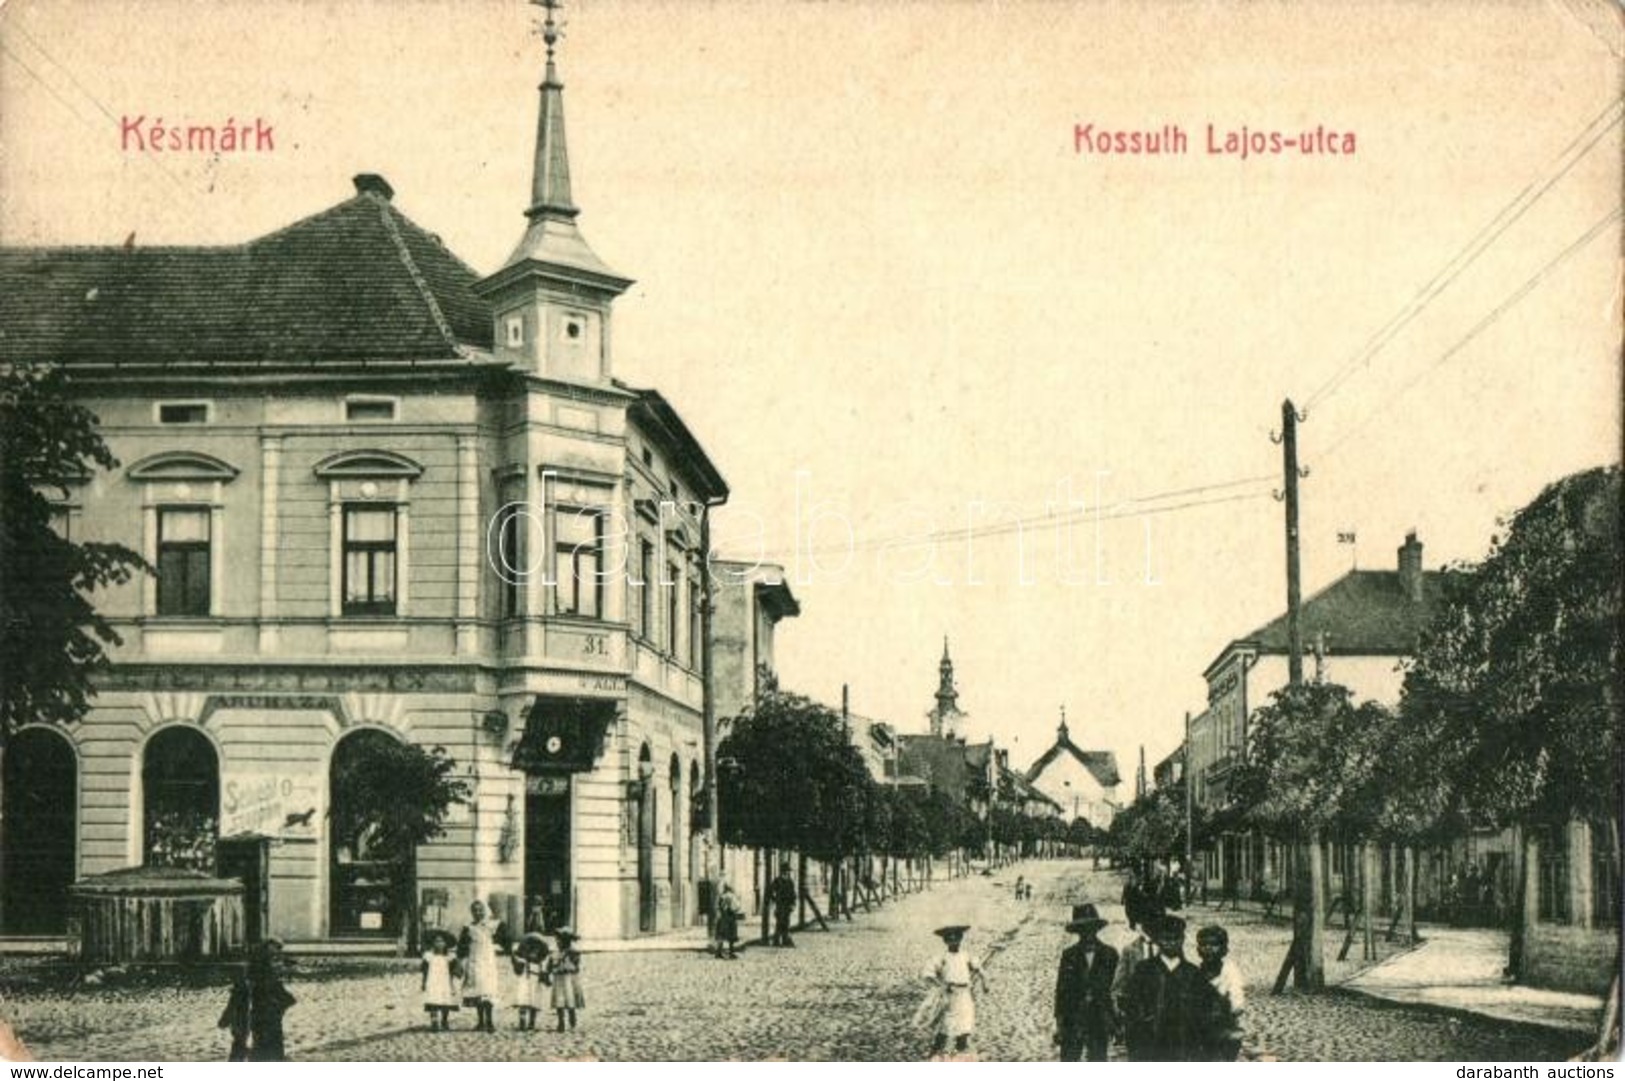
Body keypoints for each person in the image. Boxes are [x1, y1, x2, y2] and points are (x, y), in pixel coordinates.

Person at [1121, 914, 1223, 1061]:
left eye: (1175, 939)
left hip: (1184, 1045)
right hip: (1151, 1043)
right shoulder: (1144, 970)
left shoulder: (1192, 973)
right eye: (1165, 939)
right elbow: (1131, 1003)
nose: (1170, 943)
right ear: (1157, 941)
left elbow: (1206, 1008)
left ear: (1182, 940)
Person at [1053, 903, 1119, 1062]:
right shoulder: (1069, 955)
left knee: (1098, 1059)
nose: (1087, 933)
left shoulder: (1109, 954)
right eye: (1083, 928)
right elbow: (1061, 990)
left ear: (1096, 928)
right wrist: (1059, 1023)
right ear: (1078, 931)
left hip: (1099, 1018)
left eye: (1091, 927)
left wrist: (1116, 1022)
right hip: (1073, 1017)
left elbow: (1115, 989)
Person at [219, 938, 296, 1061]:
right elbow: (287, 1000)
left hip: (259, 1024)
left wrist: (226, 1018)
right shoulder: (265, 978)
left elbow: (287, 1000)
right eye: (274, 957)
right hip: (260, 1024)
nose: (277, 963)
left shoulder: (256, 978)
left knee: (248, 1051)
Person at [918, 924, 987, 1057]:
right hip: (949, 994)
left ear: (960, 939)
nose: (953, 940)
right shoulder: (942, 957)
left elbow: (978, 968)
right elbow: (927, 973)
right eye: (949, 938)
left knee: (965, 1021)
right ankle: (935, 1050)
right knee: (946, 1023)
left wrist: (985, 982)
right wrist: (941, 985)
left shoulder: (966, 956)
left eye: (956, 937)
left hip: (965, 994)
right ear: (945, 941)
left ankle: (960, 1049)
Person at [458, 898, 511, 1033]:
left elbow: (506, 939)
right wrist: (460, 961)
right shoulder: (468, 928)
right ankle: (481, 1021)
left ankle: (490, 1021)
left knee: (488, 990)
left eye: (480, 910)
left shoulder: (492, 925)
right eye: (475, 910)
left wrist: (508, 951)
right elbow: (462, 947)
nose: (478, 913)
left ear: (485, 910)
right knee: (478, 991)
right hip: (474, 960)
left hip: (487, 961)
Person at [1196, 925, 1246, 1061]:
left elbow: (1238, 1003)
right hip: (1200, 1028)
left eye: (1214, 944)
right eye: (1204, 944)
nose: (1208, 948)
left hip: (1224, 1026)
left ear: (1223, 948)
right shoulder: (1196, 972)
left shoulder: (1229, 972)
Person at [546, 927, 585, 1032]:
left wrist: (568, 964)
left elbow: (577, 967)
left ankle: (572, 1015)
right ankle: (561, 1022)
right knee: (559, 1000)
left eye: (560, 940)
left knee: (570, 998)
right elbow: (549, 965)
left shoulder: (573, 952)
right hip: (558, 978)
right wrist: (547, 973)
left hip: (569, 978)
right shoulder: (554, 952)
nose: (558, 942)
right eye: (557, 940)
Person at [420, 928, 460, 1032]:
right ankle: (434, 1021)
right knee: (433, 1000)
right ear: (432, 943)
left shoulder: (450, 957)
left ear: (446, 944)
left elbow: (456, 969)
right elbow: (424, 970)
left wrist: (456, 973)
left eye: (442, 941)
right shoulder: (429, 957)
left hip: (445, 982)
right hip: (433, 982)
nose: (439, 944)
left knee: (445, 1001)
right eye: (436, 941)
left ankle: (444, 1020)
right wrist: (423, 982)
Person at [511, 932, 551, 1032]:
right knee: (523, 1001)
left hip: (535, 983)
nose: (532, 953)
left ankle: (532, 1022)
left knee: (534, 1003)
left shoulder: (540, 963)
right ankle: (522, 1021)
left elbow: (545, 972)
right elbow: (517, 967)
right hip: (524, 982)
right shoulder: (523, 962)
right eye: (530, 949)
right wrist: (513, 956)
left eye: (536, 950)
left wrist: (545, 976)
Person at [767, 866, 798, 947]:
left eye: (788, 871)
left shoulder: (790, 881)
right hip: (780, 904)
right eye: (787, 871)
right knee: (780, 923)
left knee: (786, 922)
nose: (788, 873)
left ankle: (785, 940)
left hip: (787, 905)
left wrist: (793, 904)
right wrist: (774, 899)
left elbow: (793, 894)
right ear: (782, 871)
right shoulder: (777, 881)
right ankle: (777, 941)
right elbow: (770, 890)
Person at [715, 882, 743, 960]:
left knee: (721, 934)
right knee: (732, 935)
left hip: (723, 917)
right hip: (730, 917)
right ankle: (731, 952)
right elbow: (737, 907)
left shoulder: (722, 896)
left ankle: (718, 952)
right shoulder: (732, 896)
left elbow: (719, 906)